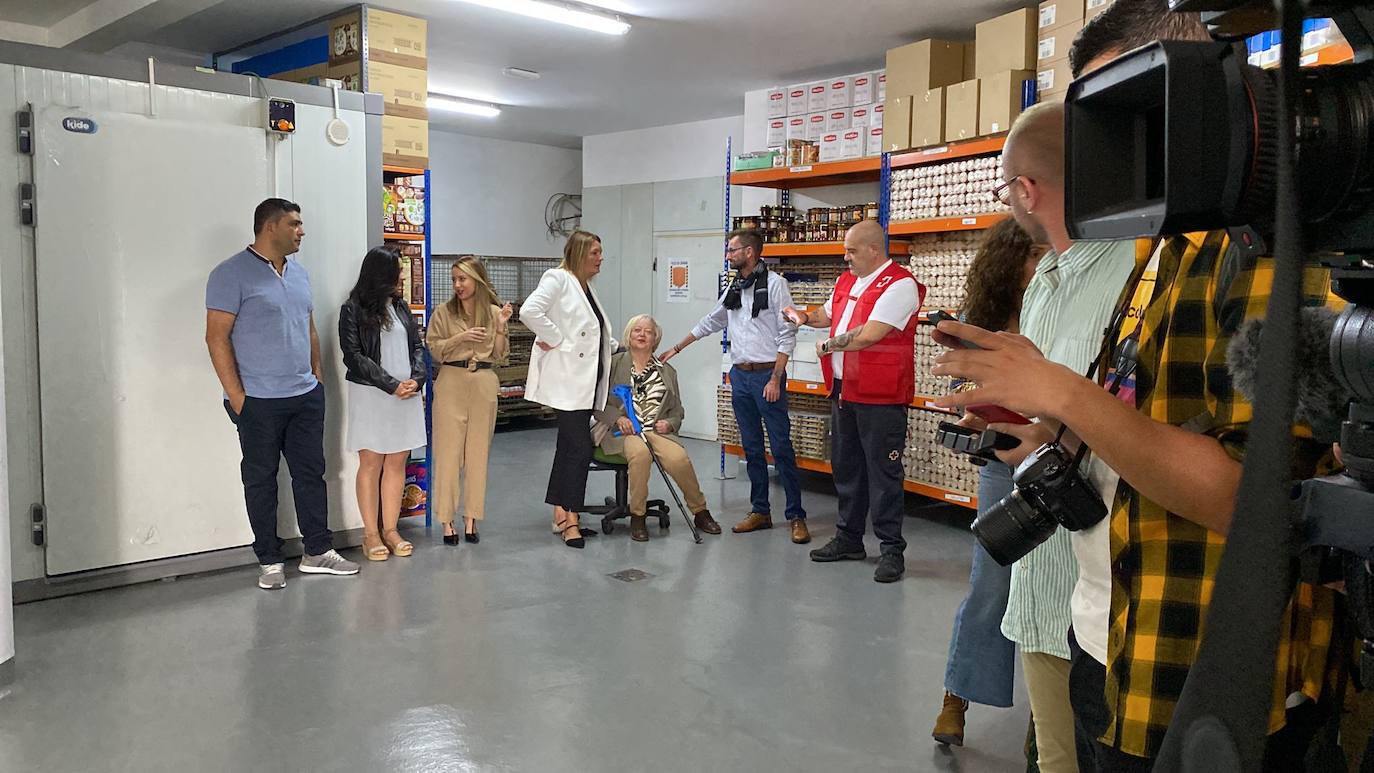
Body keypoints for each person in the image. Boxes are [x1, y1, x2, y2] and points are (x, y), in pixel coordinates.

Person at [935, 3, 1346, 767]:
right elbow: (1145, 419)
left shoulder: (1262, 244)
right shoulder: (1160, 244)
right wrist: (1054, 436)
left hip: (1197, 671)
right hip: (1110, 635)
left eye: (1119, 114)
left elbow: (1250, 497)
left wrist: (1061, 390)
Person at [205, 198, 359, 590]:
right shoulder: (230, 274)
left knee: (311, 474)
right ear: (270, 227)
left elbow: (307, 326)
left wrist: (317, 374)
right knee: (261, 480)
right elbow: (216, 337)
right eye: (295, 224)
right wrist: (237, 396)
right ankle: (269, 560)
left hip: (304, 396)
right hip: (257, 401)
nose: (301, 232)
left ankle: (317, 551)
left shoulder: (299, 274)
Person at [931, 218, 1044, 747]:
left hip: (1063, 459)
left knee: (1059, 588)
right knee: (991, 580)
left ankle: (1047, 716)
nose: (1043, 262)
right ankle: (957, 695)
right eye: (1034, 253)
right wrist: (976, 415)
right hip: (1005, 460)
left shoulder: (1068, 307)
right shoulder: (994, 320)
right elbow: (974, 386)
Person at [784, 219, 924, 583]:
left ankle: (891, 549)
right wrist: (803, 316)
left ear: (874, 250)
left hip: (881, 396)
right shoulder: (848, 281)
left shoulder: (900, 284)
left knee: (883, 474)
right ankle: (848, 539)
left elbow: (870, 334)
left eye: (851, 250)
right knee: (846, 469)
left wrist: (828, 345)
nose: (845, 257)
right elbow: (827, 314)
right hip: (845, 390)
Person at [660, 229, 803, 543]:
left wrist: (776, 378)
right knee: (751, 448)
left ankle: (796, 516)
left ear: (749, 252)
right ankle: (760, 511)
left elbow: (787, 333)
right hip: (740, 377)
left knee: (781, 448)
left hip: (768, 376)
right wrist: (677, 348)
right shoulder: (735, 288)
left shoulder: (777, 285)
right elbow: (711, 321)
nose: (728, 255)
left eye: (732, 250)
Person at [523, 230, 615, 549]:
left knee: (568, 447)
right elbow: (529, 311)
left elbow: (593, 333)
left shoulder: (584, 286)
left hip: (584, 383)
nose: (600, 258)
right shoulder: (557, 279)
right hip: (567, 383)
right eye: (595, 252)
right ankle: (572, 520)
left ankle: (560, 512)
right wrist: (558, 338)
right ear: (578, 253)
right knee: (579, 449)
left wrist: (616, 346)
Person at [592, 315, 720, 542]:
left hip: (656, 430)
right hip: (625, 431)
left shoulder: (667, 371)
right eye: (637, 331)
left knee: (679, 459)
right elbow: (595, 403)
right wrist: (617, 418)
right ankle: (638, 516)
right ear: (628, 337)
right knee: (640, 455)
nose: (642, 335)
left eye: (648, 332)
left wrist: (670, 423)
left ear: (655, 339)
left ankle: (700, 512)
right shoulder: (613, 364)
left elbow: (677, 410)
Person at [338, 246, 428, 561]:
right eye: (396, 273)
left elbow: (418, 346)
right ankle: (370, 534)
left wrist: (417, 379)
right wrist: (390, 385)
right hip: (372, 395)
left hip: (406, 395)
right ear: (380, 276)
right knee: (372, 462)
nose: (402, 277)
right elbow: (353, 356)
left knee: (396, 463)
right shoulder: (352, 309)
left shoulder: (401, 308)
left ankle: (391, 529)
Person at [426, 256, 512, 546]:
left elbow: (500, 354)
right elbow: (435, 351)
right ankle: (446, 520)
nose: (457, 285)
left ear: (478, 280)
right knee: (448, 453)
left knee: (478, 454)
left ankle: (471, 518)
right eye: (454, 280)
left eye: (462, 279)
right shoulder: (443, 313)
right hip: (451, 381)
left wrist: (500, 326)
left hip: (484, 383)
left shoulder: (493, 312)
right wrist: (460, 338)